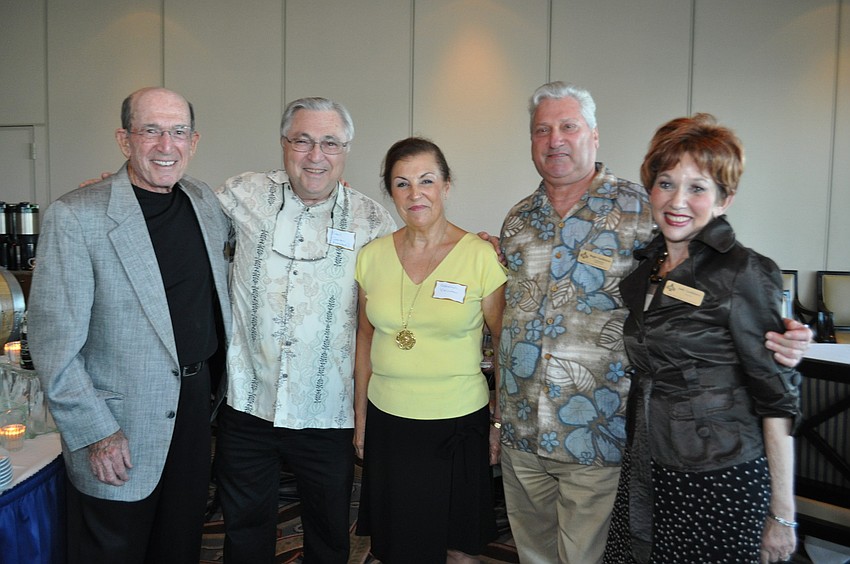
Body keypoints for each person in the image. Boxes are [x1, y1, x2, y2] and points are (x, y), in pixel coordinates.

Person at [496, 81, 812, 563]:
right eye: (542, 130)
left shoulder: (640, 210)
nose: (555, 139)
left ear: (594, 136)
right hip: (530, 431)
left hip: (602, 433)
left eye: (568, 126)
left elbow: (725, 283)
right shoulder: (518, 221)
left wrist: (786, 335)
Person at [27, 87, 231, 564]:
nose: (166, 145)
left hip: (194, 409)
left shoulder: (205, 201)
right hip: (118, 423)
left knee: (180, 542)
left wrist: (324, 192)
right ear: (124, 140)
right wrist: (97, 432)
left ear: (194, 141)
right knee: (114, 549)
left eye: (178, 132)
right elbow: (53, 347)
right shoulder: (77, 216)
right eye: (151, 131)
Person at [602, 114, 801, 564]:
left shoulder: (744, 271)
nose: (677, 201)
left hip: (720, 472)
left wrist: (783, 514)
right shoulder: (646, 269)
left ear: (724, 199)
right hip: (649, 459)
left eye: (697, 188)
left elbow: (776, 399)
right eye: (666, 183)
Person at [211, 97, 396, 564]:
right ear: (283, 144)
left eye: (330, 143)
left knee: (329, 534)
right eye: (303, 141)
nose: (316, 155)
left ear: (346, 150)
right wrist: (132, 194)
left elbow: (407, 279)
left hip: (327, 411)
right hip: (249, 403)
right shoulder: (242, 194)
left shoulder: (372, 220)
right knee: (243, 531)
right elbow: (180, 215)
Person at [353, 137, 507, 563]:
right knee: (396, 543)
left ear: (446, 185)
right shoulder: (371, 257)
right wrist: (361, 418)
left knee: (459, 546)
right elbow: (364, 337)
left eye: (426, 180)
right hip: (390, 421)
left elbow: (503, 343)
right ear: (390, 192)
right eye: (401, 183)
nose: (415, 193)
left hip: (458, 422)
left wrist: (498, 421)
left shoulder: (479, 256)